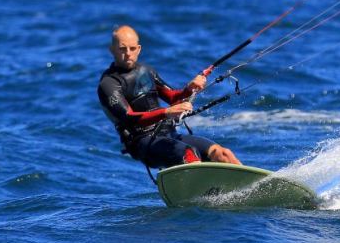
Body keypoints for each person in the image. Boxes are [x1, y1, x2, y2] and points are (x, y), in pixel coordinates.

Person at [97, 25, 241, 168]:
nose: (128, 53)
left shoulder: (146, 71)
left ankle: (255, 186)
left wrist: (189, 88)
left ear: (139, 49)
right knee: (189, 154)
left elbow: (173, 98)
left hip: (169, 134)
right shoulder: (109, 83)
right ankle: (204, 188)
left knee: (223, 154)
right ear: (112, 50)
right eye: (122, 49)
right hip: (143, 142)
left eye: (132, 48)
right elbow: (129, 117)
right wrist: (166, 112)